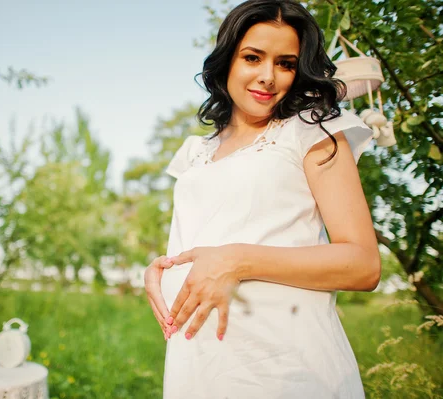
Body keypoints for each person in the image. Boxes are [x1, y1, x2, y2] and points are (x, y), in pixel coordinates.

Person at [143, 0, 381, 398]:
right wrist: (162, 269)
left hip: (283, 369)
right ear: (226, 61)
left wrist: (235, 260)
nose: (268, 76)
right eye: (252, 57)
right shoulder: (194, 152)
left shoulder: (313, 132)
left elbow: (363, 264)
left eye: (286, 63)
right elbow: (200, 235)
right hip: (200, 364)